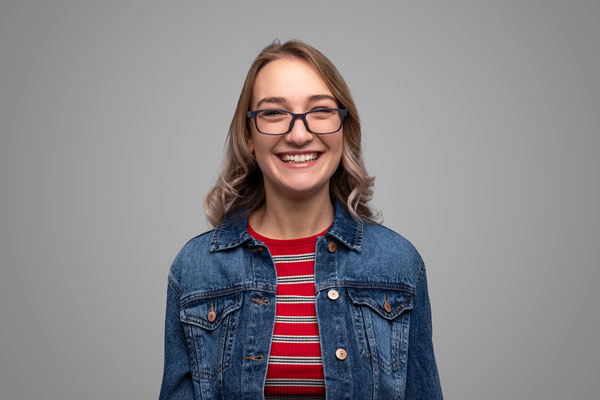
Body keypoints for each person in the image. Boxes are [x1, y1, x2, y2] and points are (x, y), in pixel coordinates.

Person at [159, 39, 443, 400]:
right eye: (274, 113)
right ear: (249, 136)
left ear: (344, 128)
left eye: (320, 111)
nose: (298, 134)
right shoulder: (196, 269)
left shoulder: (398, 264)